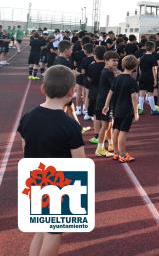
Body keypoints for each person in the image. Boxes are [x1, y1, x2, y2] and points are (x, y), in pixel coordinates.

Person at [18, 65, 85, 256]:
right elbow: (80, 163)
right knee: (54, 232)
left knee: (41, 228)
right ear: (72, 92)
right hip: (58, 184)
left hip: (35, 179)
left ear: (43, 89)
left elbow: (25, 149)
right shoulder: (71, 126)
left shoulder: (27, 118)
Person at [102, 55, 140, 163]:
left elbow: (110, 92)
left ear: (122, 65)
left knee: (115, 130)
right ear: (134, 67)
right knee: (123, 132)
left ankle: (116, 153)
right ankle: (122, 154)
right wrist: (136, 112)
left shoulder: (117, 78)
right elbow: (134, 97)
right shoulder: (132, 81)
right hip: (127, 110)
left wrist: (106, 105)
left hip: (116, 109)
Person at [95, 50, 119, 157]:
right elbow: (115, 86)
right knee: (106, 126)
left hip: (106, 101)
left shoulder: (108, 71)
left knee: (109, 125)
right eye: (113, 60)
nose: (116, 63)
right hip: (105, 103)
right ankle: (99, 148)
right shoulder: (107, 72)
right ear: (106, 61)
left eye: (117, 61)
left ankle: (110, 144)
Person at [137, 41, 159, 115]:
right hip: (150, 77)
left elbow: (139, 69)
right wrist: (155, 80)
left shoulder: (142, 57)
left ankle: (140, 109)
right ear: (153, 48)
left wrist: (141, 75)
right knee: (150, 93)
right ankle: (153, 109)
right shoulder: (153, 57)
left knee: (141, 93)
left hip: (142, 77)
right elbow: (154, 69)